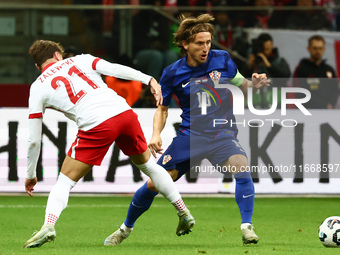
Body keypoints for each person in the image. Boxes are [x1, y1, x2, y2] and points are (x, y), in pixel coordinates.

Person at [109, 14, 270, 246]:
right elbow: (162, 109)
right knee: (155, 183)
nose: (205, 48)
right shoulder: (172, 72)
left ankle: (247, 227)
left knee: (242, 167)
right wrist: (155, 134)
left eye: (208, 42)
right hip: (190, 137)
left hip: (221, 134)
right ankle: (125, 229)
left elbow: (242, 85)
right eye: (199, 43)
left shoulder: (222, 59)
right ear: (185, 44)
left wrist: (255, 82)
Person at [23, 40, 195, 248]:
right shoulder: (81, 60)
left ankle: (48, 225)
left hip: (96, 124)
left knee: (65, 182)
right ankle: (183, 211)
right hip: (124, 114)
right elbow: (115, 69)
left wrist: (31, 174)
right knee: (150, 167)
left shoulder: (37, 87)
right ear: (59, 55)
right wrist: (148, 79)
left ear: (37, 66)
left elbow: (34, 139)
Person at [242, 33, 291, 108]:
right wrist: (249, 67)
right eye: (264, 49)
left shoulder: (279, 61)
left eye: (268, 49)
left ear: (272, 45)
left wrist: (269, 66)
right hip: (254, 105)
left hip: (276, 103)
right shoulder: (253, 63)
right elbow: (241, 83)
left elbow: (285, 77)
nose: (266, 52)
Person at [293, 35, 339, 109]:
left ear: (324, 49)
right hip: (307, 111)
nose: (318, 51)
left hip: (328, 111)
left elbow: (335, 90)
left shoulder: (329, 69)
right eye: (315, 48)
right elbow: (301, 92)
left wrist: (331, 104)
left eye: (320, 48)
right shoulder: (301, 69)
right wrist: (323, 105)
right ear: (309, 49)